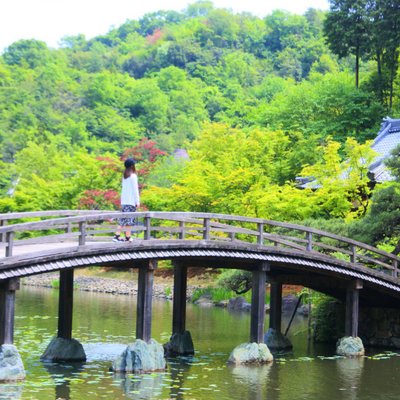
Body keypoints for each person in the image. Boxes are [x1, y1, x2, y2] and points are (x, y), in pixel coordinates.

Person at [113, 158, 140, 242]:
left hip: (124, 201)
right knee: (128, 221)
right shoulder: (133, 176)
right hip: (131, 202)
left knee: (124, 220)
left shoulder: (125, 176)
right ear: (132, 166)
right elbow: (135, 190)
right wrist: (137, 201)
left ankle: (127, 237)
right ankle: (117, 236)